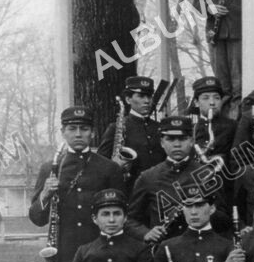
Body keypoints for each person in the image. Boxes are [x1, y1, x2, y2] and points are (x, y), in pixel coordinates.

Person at [30, 106, 126, 262]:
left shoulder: (109, 168)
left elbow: (122, 214)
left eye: (84, 129)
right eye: (72, 129)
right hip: (65, 256)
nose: (78, 134)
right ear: (63, 132)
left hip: (102, 253)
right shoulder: (50, 168)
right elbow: (37, 218)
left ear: (93, 132)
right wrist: (45, 195)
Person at [126, 115, 228, 246]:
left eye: (183, 139)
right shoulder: (148, 177)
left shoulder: (207, 174)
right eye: (170, 139)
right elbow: (130, 220)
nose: (177, 144)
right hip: (164, 249)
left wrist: (207, 211)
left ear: (192, 141)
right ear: (162, 142)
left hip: (202, 248)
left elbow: (224, 219)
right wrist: (146, 233)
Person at [97, 75, 164, 190]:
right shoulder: (116, 128)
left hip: (159, 190)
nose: (147, 101)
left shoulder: (160, 128)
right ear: (128, 100)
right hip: (130, 192)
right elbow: (100, 163)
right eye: (141, 96)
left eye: (149, 96)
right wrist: (114, 165)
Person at [190, 75, 236, 163]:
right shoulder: (191, 129)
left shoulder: (233, 126)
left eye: (216, 98)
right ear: (196, 102)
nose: (212, 103)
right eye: (205, 98)